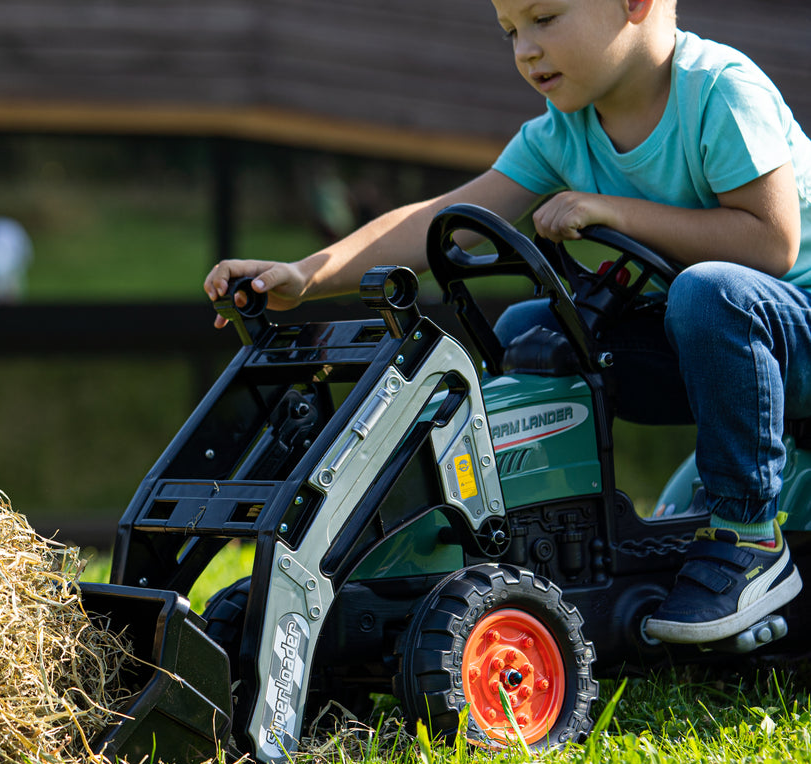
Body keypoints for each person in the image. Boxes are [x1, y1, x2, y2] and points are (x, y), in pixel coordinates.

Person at [204, 0, 811, 645]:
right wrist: (308, 277)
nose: (525, 49)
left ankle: (748, 538)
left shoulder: (721, 90)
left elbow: (771, 245)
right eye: (511, 31)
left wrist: (616, 212)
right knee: (536, 330)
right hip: (717, 342)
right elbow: (441, 214)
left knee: (706, 292)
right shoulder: (564, 131)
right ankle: (551, 545)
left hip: (787, 329)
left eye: (545, 19)